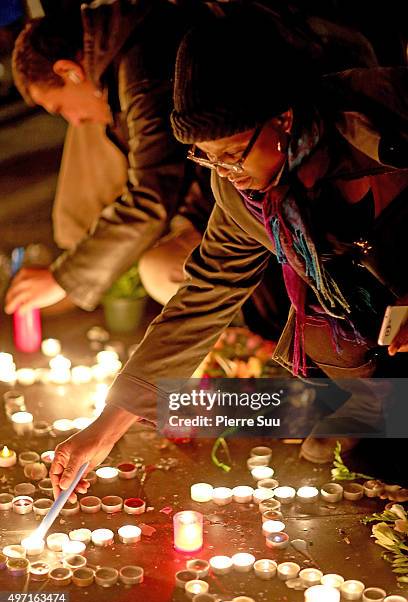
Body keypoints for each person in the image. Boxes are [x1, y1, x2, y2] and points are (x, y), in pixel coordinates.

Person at [48, 8, 408, 498]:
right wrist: (106, 427)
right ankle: (362, 414)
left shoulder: (390, 123)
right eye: (203, 155)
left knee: (377, 441)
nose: (223, 171)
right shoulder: (245, 194)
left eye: (231, 153)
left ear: (283, 118)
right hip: (369, 347)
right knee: (359, 444)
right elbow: (204, 294)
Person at [4, 0, 212, 315]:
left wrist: (62, 278)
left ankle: (239, 352)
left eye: (61, 109)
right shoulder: (122, 63)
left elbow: (153, 192)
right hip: (211, 210)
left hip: (244, 209)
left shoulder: (141, 68)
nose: (74, 121)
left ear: (69, 71)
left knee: (161, 269)